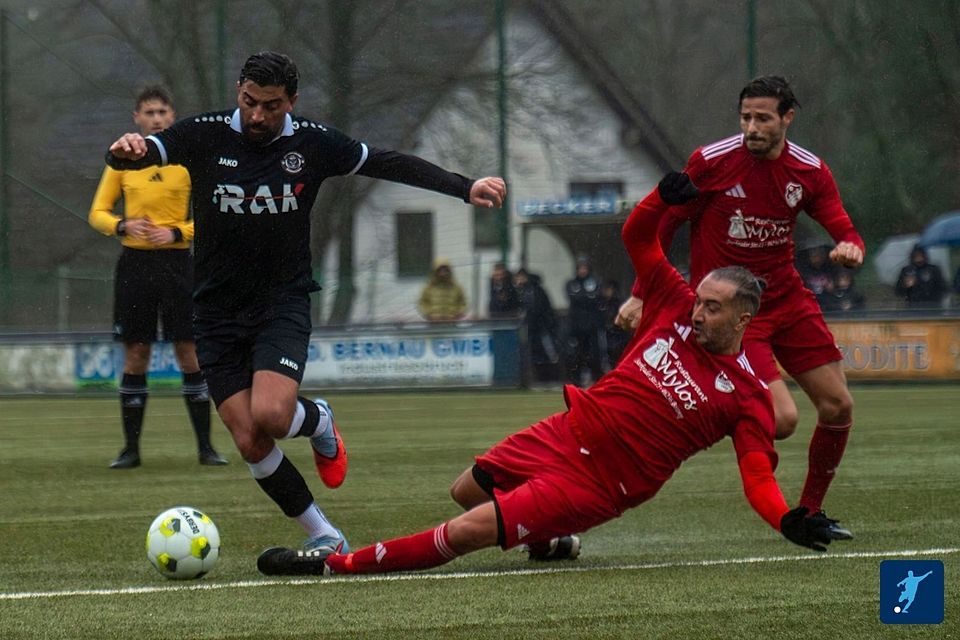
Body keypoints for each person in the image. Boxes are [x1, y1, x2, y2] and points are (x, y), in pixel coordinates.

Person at [256, 175, 852, 578]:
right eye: (699, 301)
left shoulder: (748, 392)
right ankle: (548, 539)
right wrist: (662, 198)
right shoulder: (672, 302)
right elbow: (638, 236)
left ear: (745, 318)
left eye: (714, 308)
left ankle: (337, 565)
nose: (698, 311)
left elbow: (756, 475)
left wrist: (786, 517)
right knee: (465, 487)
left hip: (601, 481)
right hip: (568, 431)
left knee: (466, 530)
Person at [105, 51, 506, 553]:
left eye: (270, 106)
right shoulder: (205, 133)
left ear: (291, 102)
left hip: (280, 302)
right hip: (213, 311)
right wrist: (124, 150)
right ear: (238, 91)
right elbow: (141, 152)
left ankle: (317, 418)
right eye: (249, 102)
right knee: (250, 439)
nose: (257, 115)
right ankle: (326, 535)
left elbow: (385, 161)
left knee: (273, 416)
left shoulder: (313, 144)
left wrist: (464, 187)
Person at [617, 76, 864, 523]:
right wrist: (640, 294)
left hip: (786, 299)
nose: (752, 127)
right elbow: (664, 224)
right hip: (733, 314)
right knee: (783, 421)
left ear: (787, 118)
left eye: (763, 118)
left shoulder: (809, 171)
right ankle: (720, 418)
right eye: (746, 117)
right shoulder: (712, 162)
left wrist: (850, 246)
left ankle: (809, 510)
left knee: (838, 406)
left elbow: (842, 226)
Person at [88, 86, 228, 469]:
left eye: (162, 112)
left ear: (172, 116)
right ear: (137, 118)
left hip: (180, 265)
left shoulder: (188, 162)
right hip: (136, 267)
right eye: (148, 112)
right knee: (137, 353)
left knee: (189, 352)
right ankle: (130, 450)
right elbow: (97, 212)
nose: (156, 118)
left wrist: (177, 232)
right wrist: (121, 225)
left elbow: (213, 217)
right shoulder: (121, 162)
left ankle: (206, 448)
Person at [564, 256, 605, 386]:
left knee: (594, 355)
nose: (582, 270)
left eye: (584, 267)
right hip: (576, 327)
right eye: (580, 268)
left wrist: (585, 297)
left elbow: (596, 297)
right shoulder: (571, 283)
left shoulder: (595, 282)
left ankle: (596, 381)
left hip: (591, 327)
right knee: (576, 355)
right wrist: (587, 297)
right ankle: (576, 382)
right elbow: (574, 298)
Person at [514, 268, 560, 383]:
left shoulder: (533, 291)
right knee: (537, 354)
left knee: (548, 353)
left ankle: (550, 378)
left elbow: (538, 310)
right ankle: (542, 378)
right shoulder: (524, 291)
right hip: (534, 328)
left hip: (541, 328)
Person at [894, 245, 946, 310]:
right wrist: (905, 285)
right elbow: (898, 292)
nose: (918, 258)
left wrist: (933, 297)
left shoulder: (933, 269)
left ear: (924, 256)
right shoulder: (906, 270)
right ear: (912, 256)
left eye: (920, 255)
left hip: (932, 308)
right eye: (916, 255)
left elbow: (943, 289)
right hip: (912, 309)